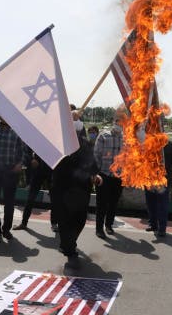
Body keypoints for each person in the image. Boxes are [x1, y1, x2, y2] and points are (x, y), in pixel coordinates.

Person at [52, 110, 102, 268]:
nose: (77, 120)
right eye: (73, 118)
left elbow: (91, 163)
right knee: (65, 220)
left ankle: (69, 243)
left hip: (82, 189)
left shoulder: (85, 143)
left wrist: (95, 175)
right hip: (63, 188)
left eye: (78, 118)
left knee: (80, 220)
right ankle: (70, 250)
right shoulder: (60, 143)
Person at [94, 114, 124, 239]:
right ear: (114, 121)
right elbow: (96, 154)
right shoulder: (103, 136)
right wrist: (97, 172)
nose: (119, 124)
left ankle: (109, 225)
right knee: (102, 203)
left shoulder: (126, 139)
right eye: (118, 121)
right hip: (104, 175)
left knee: (113, 203)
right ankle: (99, 228)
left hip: (118, 176)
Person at [144, 140, 172, 237]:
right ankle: (153, 224)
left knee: (162, 205)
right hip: (149, 178)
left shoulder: (170, 145)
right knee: (150, 203)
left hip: (163, 179)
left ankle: (162, 228)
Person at [12, 149, 55, 231]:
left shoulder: (57, 139)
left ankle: (54, 223)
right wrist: (32, 159)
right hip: (38, 170)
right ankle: (24, 223)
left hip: (52, 170)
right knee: (30, 198)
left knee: (54, 198)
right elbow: (27, 151)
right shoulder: (38, 137)